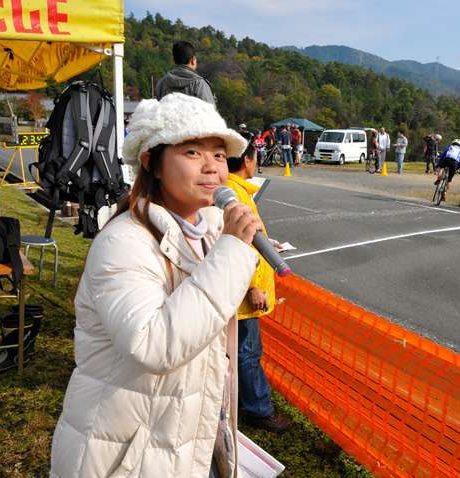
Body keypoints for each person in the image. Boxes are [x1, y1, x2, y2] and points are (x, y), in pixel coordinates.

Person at [49, 93, 260, 478]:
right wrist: (231, 254)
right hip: (127, 449)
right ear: (152, 164)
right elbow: (153, 345)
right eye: (193, 152)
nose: (212, 167)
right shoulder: (123, 242)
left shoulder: (209, 227)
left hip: (185, 429)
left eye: (218, 153)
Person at [226, 133, 293, 434]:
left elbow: (251, 237)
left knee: (241, 349)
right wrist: (252, 285)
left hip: (242, 282)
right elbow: (234, 242)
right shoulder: (233, 192)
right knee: (248, 350)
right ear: (247, 160)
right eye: (256, 158)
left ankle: (243, 400)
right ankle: (258, 410)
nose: (257, 163)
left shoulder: (237, 189)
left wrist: (270, 243)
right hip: (243, 288)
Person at [155, 41, 216, 105]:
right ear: (193, 60)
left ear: (173, 60)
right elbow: (210, 112)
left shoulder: (161, 83)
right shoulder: (199, 84)